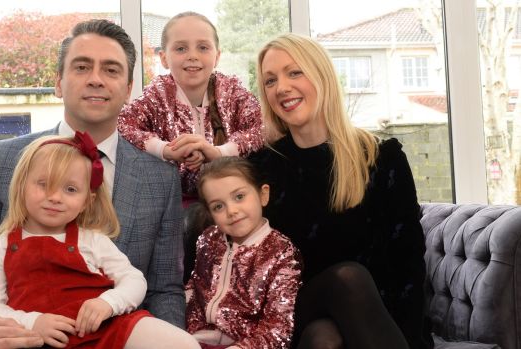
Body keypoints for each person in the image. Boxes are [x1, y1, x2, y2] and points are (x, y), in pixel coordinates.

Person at [0, 19, 185, 349]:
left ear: (127, 89)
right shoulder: (1, 161)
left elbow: (164, 290)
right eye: (81, 67)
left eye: (111, 70)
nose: (96, 79)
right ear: (59, 83)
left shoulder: (160, 178)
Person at [249, 33, 433, 349]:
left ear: (322, 77)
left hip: (372, 316)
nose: (281, 87)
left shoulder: (381, 157)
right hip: (292, 312)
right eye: (270, 80)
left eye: (294, 72)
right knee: (347, 279)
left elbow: (408, 261)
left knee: (326, 338)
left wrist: (411, 336)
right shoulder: (261, 167)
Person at [0, 132, 198, 349]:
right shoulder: (2, 246)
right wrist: (32, 322)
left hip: (105, 328)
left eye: (70, 189)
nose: (55, 197)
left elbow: (134, 280)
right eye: (43, 184)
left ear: (86, 201)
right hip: (41, 338)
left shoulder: (92, 240)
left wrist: (108, 303)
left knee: (183, 343)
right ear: (21, 186)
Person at [118, 11, 263, 201]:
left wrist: (219, 153)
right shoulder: (158, 94)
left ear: (217, 56)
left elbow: (263, 126)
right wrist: (166, 149)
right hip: (174, 204)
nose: (192, 56)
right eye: (180, 49)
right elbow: (122, 124)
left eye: (203, 47)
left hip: (231, 200)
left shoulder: (231, 91)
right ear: (163, 58)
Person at [186, 157, 302, 349]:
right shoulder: (208, 239)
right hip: (195, 338)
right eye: (218, 206)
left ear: (263, 195)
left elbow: (278, 328)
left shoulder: (281, 252)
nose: (231, 211)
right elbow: (195, 284)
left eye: (239, 197)